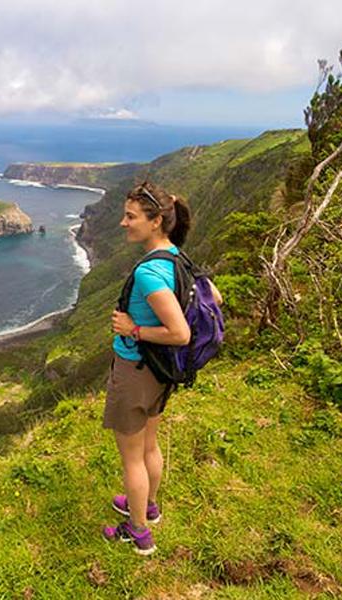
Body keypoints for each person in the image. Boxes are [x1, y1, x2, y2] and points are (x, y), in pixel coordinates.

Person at [101, 180, 221, 555]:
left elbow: (180, 333)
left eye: (131, 216)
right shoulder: (177, 257)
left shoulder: (149, 273)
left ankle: (138, 532)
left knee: (132, 458)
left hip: (137, 370)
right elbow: (214, 297)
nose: (123, 223)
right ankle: (148, 507)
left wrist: (133, 329)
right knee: (149, 446)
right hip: (159, 374)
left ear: (155, 222)